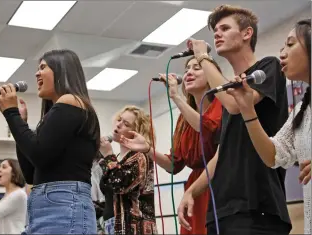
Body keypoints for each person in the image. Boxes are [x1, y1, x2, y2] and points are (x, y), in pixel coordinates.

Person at [178, 5, 292, 234]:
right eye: (215, 30)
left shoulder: (268, 67)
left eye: (225, 28)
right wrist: (192, 191)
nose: (217, 34)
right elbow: (221, 153)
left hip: (257, 206)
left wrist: (202, 56)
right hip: (222, 210)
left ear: (247, 33)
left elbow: (237, 105)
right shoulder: (229, 89)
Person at [0, 49, 101, 234]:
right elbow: (31, 172)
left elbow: (38, 155)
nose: (36, 73)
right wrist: (19, 123)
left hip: (63, 205)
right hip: (49, 204)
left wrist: (12, 114)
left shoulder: (71, 101)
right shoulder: (62, 110)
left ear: (62, 69)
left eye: (43, 67)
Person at [119, 56, 223, 234]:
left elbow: (206, 127)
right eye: (187, 68)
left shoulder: (221, 105)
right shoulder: (183, 119)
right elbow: (174, 164)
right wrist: (148, 149)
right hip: (194, 190)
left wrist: (175, 96)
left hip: (218, 183)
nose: (189, 72)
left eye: (197, 68)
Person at [226, 18, 311, 234]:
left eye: (291, 44)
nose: (282, 52)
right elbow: (272, 155)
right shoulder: (303, 109)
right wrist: (247, 109)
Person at [98, 106, 157, 235]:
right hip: (112, 226)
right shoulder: (117, 159)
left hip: (134, 228)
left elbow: (120, 185)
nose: (119, 125)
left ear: (136, 133)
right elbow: (109, 194)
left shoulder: (141, 157)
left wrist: (108, 155)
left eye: (126, 124)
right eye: (119, 120)